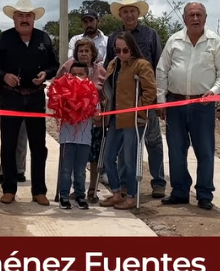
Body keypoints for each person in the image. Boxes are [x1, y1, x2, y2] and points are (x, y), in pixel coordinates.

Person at [156, 2, 220, 210]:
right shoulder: (174, 40)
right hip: (176, 102)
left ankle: (204, 194)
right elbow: (161, 71)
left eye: (199, 14)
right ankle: (179, 191)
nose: (195, 18)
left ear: (205, 18)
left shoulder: (215, 42)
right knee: (176, 150)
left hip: (203, 104)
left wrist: (214, 91)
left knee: (205, 151)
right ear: (184, 18)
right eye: (191, 15)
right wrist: (161, 100)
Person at [0, 0, 59, 205]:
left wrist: (46, 73)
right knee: (8, 145)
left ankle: (39, 191)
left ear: (34, 18)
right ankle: (9, 188)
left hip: (35, 98)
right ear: (14, 18)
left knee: (39, 146)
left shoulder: (44, 38)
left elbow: (55, 65)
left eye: (28, 15)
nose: (24, 19)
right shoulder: (4, 38)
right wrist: (3, 75)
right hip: (10, 97)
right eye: (20, 15)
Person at [104, 0, 166, 198]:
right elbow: (108, 65)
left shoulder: (150, 34)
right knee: (125, 148)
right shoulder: (114, 37)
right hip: (121, 101)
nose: (129, 14)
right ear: (120, 15)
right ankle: (123, 185)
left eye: (132, 10)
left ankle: (158, 182)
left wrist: (153, 101)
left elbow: (159, 65)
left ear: (138, 13)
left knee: (153, 141)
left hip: (143, 97)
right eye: (125, 11)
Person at [99, 32, 157, 210]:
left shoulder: (141, 65)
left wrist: (140, 108)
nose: (121, 54)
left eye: (125, 50)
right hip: (114, 117)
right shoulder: (114, 64)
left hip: (132, 118)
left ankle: (131, 196)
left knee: (130, 160)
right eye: (118, 50)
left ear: (132, 48)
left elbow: (150, 90)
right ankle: (117, 192)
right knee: (108, 157)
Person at [55, 38, 106, 202]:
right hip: (71, 122)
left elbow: (106, 92)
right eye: (81, 51)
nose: (84, 54)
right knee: (70, 160)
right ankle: (67, 192)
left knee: (92, 157)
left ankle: (91, 189)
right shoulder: (69, 66)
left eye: (87, 51)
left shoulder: (100, 70)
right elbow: (57, 85)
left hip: (93, 120)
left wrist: (101, 110)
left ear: (93, 53)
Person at [56, 62, 97, 210]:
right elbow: (56, 109)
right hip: (67, 138)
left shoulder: (92, 92)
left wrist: (93, 111)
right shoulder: (63, 92)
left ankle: (80, 196)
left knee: (80, 170)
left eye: (81, 74)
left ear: (88, 76)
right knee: (66, 169)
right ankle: (64, 196)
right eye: (74, 74)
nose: (78, 77)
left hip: (84, 139)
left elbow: (98, 118)